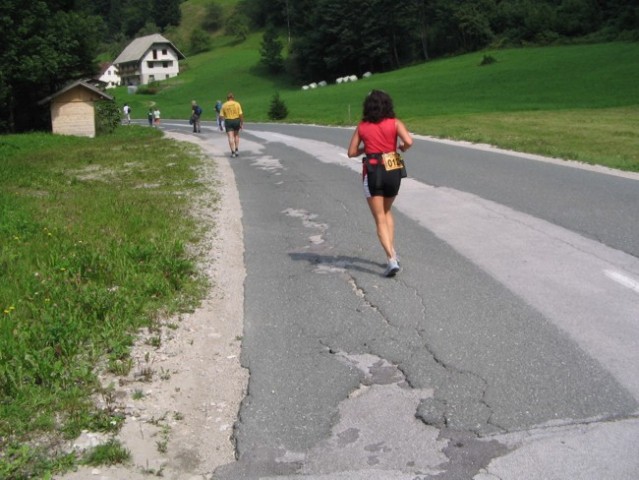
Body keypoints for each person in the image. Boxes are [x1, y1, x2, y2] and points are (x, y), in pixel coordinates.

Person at [347, 90, 413, 277]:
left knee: (379, 217)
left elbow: (351, 152)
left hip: (374, 170)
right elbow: (409, 141)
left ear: (368, 106)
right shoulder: (395, 123)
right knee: (387, 211)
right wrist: (401, 147)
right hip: (393, 167)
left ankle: (391, 258)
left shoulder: (362, 127)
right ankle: (393, 252)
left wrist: (364, 149)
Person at [220, 93, 244, 157]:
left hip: (228, 121)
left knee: (230, 137)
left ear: (227, 98)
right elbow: (241, 114)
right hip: (236, 120)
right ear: (233, 98)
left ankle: (233, 152)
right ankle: (236, 149)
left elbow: (221, 116)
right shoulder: (237, 104)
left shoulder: (224, 105)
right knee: (236, 135)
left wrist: (222, 123)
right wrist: (241, 123)